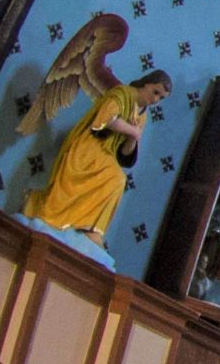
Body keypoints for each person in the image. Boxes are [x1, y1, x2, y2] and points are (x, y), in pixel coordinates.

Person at [23, 70, 172, 244]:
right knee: (114, 179)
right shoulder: (122, 93)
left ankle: (90, 228)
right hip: (89, 147)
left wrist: (133, 138)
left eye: (160, 98)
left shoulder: (142, 115)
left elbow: (124, 154)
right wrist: (132, 130)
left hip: (106, 155)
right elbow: (105, 119)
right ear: (147, 84)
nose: (155, 100)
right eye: (155, 92)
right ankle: (53, 215)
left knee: (117, 178)